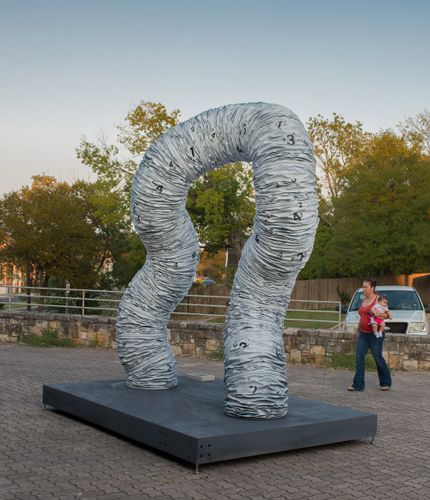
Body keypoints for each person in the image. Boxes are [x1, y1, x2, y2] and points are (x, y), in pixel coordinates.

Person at [348, 279, 392, 392]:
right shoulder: (363, 299)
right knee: (359, 357)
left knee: (377, 357)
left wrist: (377, 313)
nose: (363, 289)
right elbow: (362, 317)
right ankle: (358, 385)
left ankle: (385, 382)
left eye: (365, 287)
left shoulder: (378, 299)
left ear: (372, 288)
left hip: (375, 333)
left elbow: (387, 315)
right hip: (363, 333)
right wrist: (357, 331)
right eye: (362, 287)